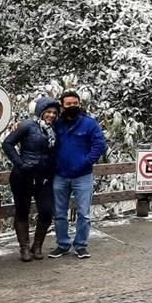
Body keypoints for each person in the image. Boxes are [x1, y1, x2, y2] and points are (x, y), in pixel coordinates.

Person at [48, 90, 107, 260]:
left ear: (80, 104)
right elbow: (42, 132)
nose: (72, 106)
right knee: (59, 213)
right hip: (60, 175)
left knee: (84, 213)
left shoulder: (90, 124)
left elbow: (99, 145)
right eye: (68, 104)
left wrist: (85, 162)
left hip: (83, 176)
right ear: (63, 106)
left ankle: (80, 245)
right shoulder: (57, 124)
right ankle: (63, 244)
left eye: (75, 103)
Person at [1, 97, 60, 261]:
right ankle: (24, 247)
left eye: (54, 113)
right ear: (41, 111)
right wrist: (20, 163)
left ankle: (37, 245)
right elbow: (7, 144)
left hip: (45, 177)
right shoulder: (27, 125)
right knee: (22, 211)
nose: (51, 115)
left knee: (47, 211)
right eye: (48, 112)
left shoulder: (56, 129)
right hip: (23, 176)